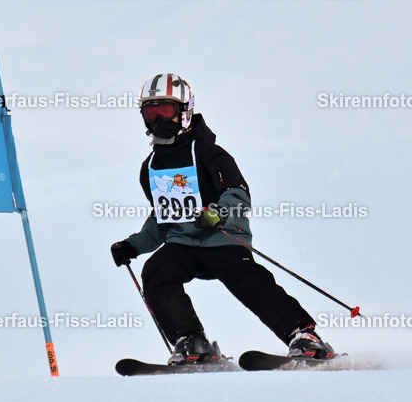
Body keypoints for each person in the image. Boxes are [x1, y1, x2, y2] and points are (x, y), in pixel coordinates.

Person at [110, 73, 335, 364]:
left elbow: (237, 194)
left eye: (165, 111)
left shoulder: (209, 153)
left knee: (246, 278)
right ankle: (192, 342)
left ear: (184, 112)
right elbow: (162, 217)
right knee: (157, 271)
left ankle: (304, 337)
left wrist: (219, 213)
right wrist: (133, 246)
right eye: (151, 113)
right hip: (183, 245)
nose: (158, 121)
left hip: (221, 238)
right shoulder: (151, 167)